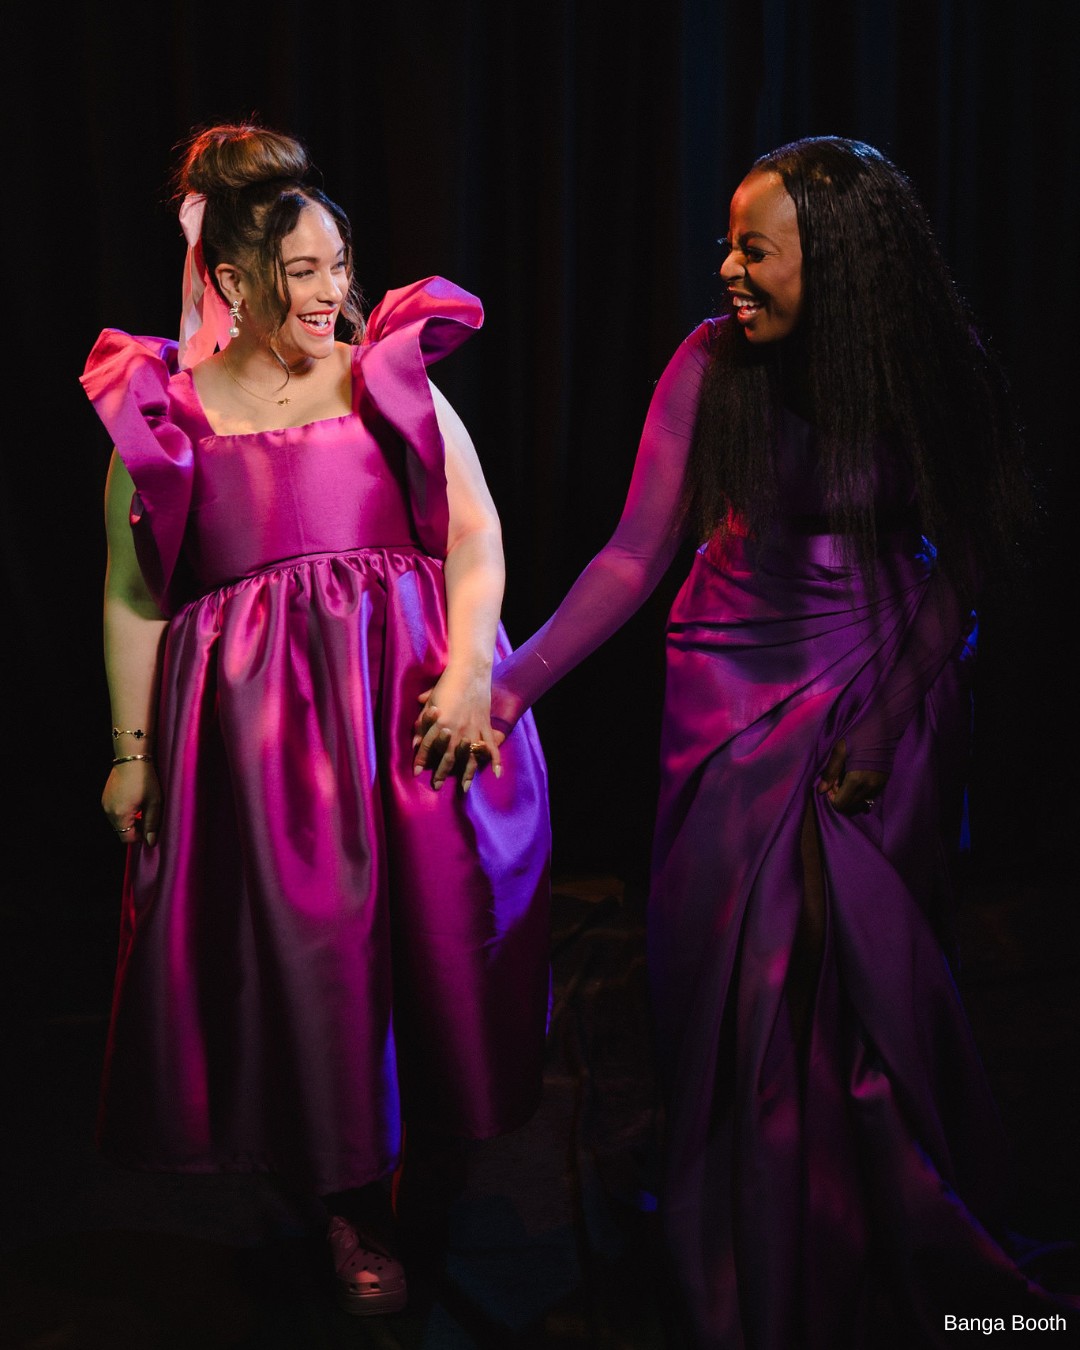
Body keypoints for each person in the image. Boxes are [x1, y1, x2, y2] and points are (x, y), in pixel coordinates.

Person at [466, 138, 1076, 1346]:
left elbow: (962, 572)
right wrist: (511, 686)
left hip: (881, 666)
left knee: (853, 973)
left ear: (836, 260)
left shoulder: (934, 366)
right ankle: (744, 1216)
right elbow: (634, 553)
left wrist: (887, 719)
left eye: (757, 249)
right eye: (728, 245)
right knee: (728, 966)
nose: (728, 271)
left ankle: (865, 1216)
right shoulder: (709, 362)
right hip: (732, 674)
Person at [81, 122, 551, 1316]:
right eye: (303, 271)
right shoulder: (164, 415)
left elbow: (476, 532)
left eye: (340, 265)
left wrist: (470, 673)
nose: (332, 292)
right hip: (267, 750)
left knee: (432, 947)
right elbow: (135, 594)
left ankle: (424, 1169)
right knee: (316, 968)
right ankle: (350, 1201)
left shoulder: (387, 377)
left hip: (404, 709)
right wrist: (132, 754)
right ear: (233, 282)